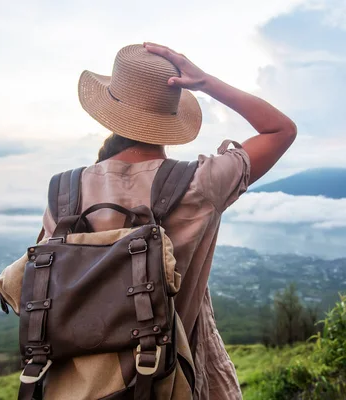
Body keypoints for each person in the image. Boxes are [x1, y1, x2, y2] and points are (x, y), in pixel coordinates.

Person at [41, 43, 297, 399]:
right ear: (170, 117)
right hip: (171, 378)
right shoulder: (200, 184)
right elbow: (280, 130)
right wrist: (205, 82)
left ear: (109, 112)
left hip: (80, 385)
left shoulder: (64, 193)